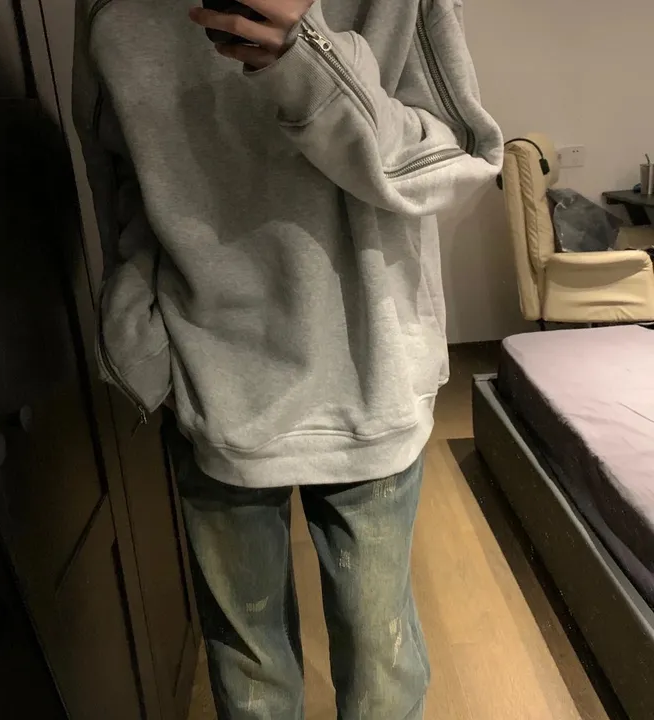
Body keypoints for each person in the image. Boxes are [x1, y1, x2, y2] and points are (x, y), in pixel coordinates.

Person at [72, 0, 502, 716]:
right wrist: (138, 329)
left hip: (369, 372)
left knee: (381, 671)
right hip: (209, 372)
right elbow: (114, 173)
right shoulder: (110, 8)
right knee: (251, 680)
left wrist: (308, 62)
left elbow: (459, 158)